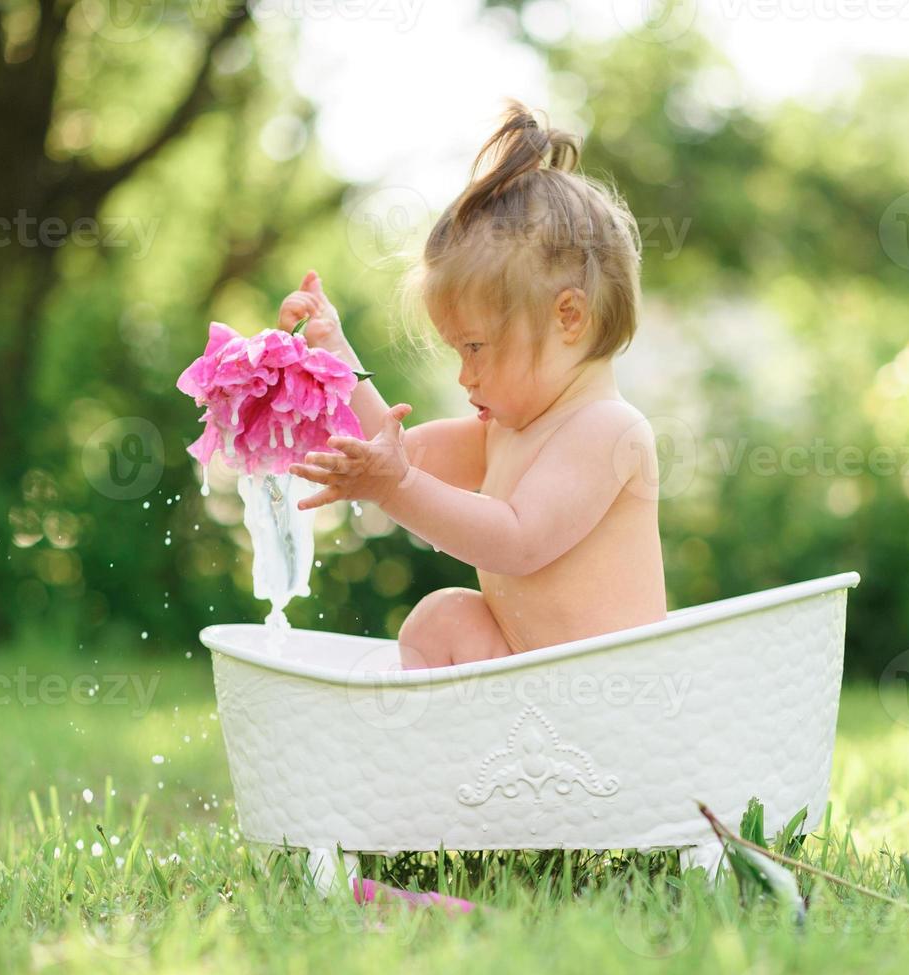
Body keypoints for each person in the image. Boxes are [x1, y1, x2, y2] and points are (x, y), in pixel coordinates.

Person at [279, 99, 666, 668]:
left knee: (446, 612)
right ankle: (442, 755)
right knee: (444, 619)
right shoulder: (507, 430)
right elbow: (399, 451)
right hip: (530, 693)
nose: (465, 374)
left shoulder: (608, 431)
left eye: (476, 347)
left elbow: (517, 541)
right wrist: (335, 355)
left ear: (568, 317)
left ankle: (452, 752)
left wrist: (394, 488)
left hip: (608, 702)